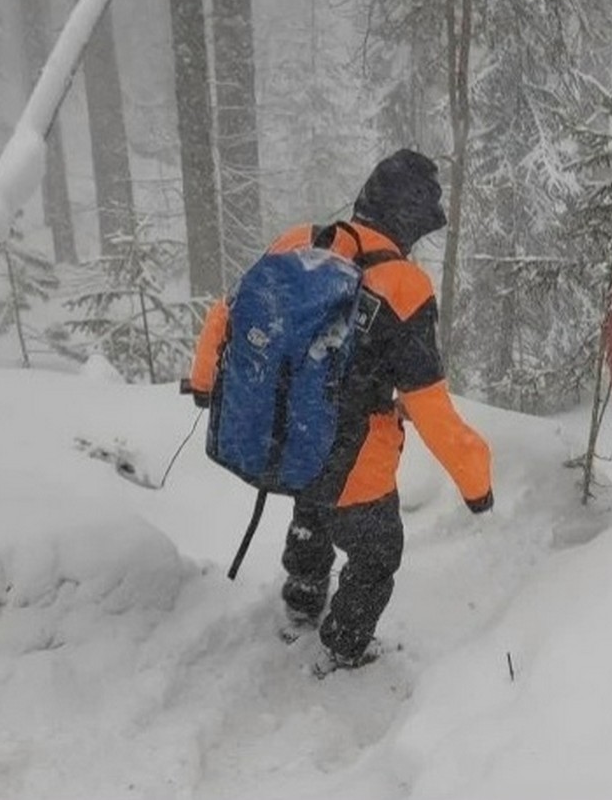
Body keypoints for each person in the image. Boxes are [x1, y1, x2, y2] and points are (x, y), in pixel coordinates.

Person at [187, 149, 493, 676]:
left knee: (312, 507)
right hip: (357, 460)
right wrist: (476, 482)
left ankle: (302, 601)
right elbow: (430, 406)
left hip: (295, 439)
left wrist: (202, 381)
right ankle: (344, 647)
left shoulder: (301, 243)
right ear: (409, 221)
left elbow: (228, 311)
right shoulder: (404, 286)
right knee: (377, 555)